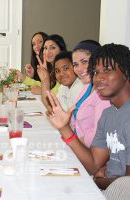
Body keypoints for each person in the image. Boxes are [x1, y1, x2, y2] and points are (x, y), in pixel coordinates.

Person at [45, 43, 130, 190]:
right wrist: (65, 128)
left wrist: (100, 182)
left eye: (107, 70)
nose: (99, 78)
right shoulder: (108, 114)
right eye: (96, 72)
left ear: (126, 73)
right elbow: (93, 164)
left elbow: (127, 186)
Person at [71, 40, 110, 147]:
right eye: (75, 64)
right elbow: (75, 119)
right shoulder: (88, 87)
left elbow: (98, 137)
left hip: (89, 152)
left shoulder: (103, 95)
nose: (79, 69)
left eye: (84, 62)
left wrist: (73, 141)